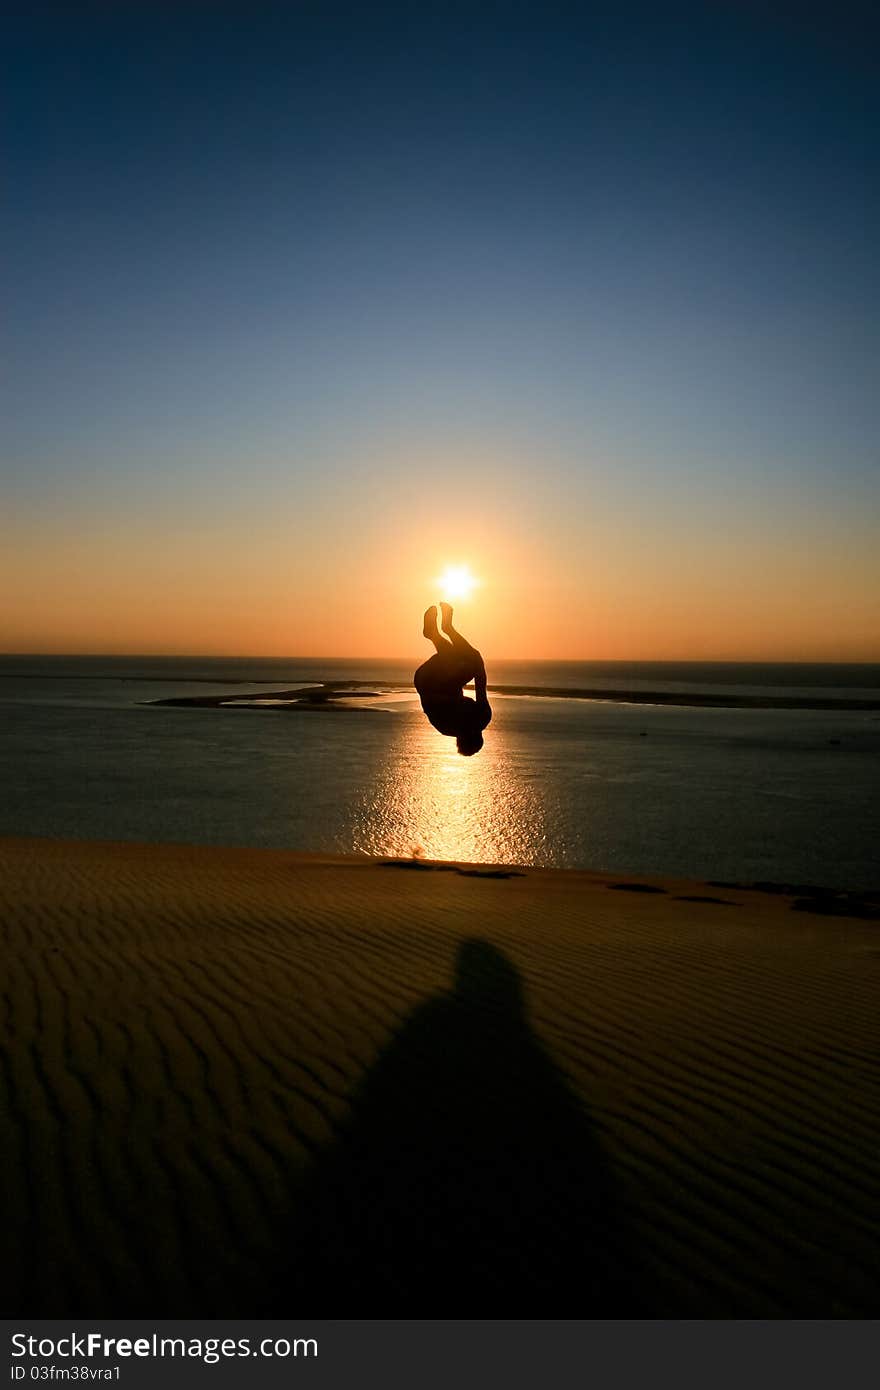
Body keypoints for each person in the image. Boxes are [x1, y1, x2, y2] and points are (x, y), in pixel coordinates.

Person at [414, 602, 492, 756]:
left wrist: (474, 664)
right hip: (428, 679)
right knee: (460, 657)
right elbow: (480, 682)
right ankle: (439, 631)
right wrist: (472, 664)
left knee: (456, 657)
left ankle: (440, 631)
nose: (470, 727)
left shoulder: (451, 724)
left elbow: (428, 699)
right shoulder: (479, 718)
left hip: (428, 681)